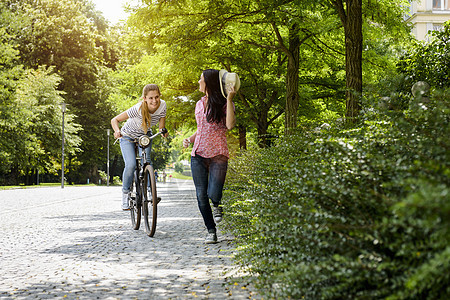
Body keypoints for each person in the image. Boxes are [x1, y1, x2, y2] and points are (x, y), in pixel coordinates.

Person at [183, 69, 240, 244]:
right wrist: (189, 139)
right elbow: (201, 129)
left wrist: (229, 99)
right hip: (198, 154)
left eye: (201, 79)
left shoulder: (224, 103)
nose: (198, 82)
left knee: (213, 193)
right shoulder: (199, 103)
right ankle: (211, 231)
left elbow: (230, 125)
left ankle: (217, 204)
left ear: (208, 82)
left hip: (218, 155)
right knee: (201, 195)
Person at [111, 84, 168, 210]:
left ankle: (150, 192)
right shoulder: (137, 109)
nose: (154, 101)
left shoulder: (163, 105)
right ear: (145, 99)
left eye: (157, 97)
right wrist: (116, 131)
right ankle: (125, 195)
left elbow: (161, 127)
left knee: (147, 161)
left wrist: (163, 132)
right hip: (127, 137)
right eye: (151, 98)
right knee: (131, 164)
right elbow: (114, 120)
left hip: (145, 136)